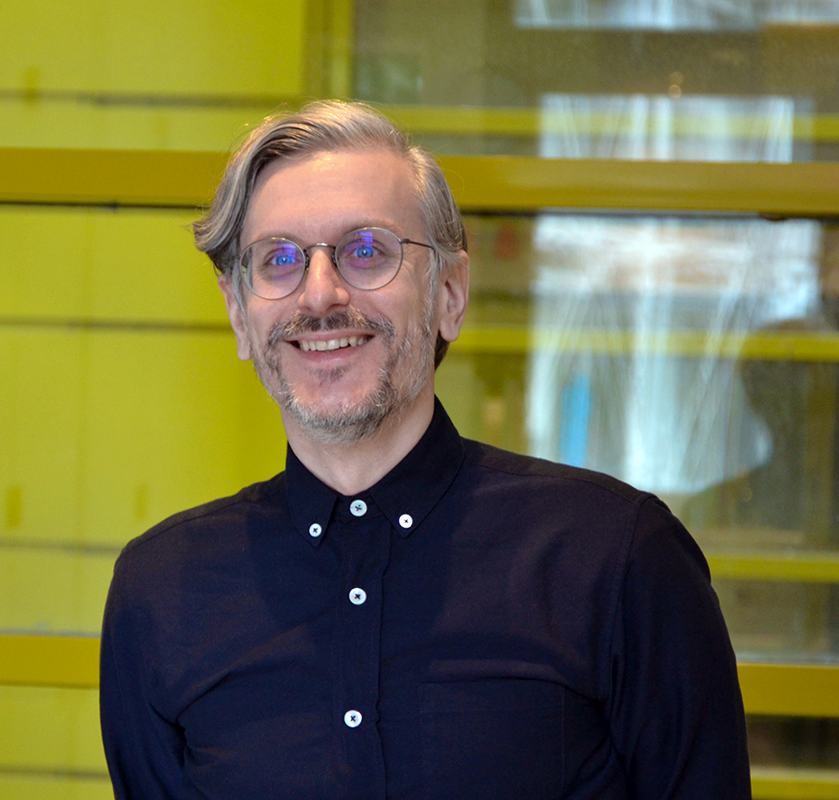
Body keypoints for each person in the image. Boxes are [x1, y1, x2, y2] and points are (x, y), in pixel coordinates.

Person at [99, 100, 750, 799]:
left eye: (366, 251)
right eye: (279, 260)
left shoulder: (616, 559)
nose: (319, 295)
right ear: (237, 312)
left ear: (449, 293)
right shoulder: (160, 591)